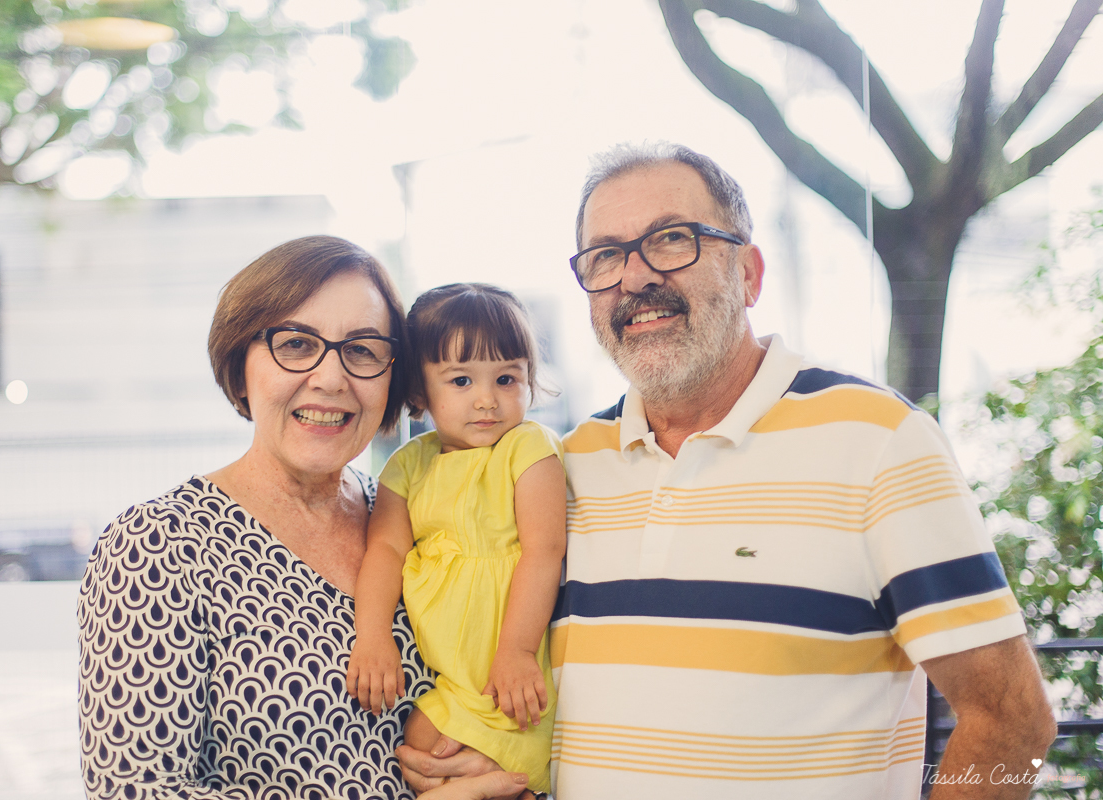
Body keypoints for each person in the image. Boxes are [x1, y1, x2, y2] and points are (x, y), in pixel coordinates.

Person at [400, 142, 1058, 799]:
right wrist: (504, 772)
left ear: (749, 273)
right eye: (605, 256)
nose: (633, 278)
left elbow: (1013, 721)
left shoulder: (879, 441)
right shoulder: (562, 465)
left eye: (671, 240)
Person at [78, 236, 508, 800]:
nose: (331, 379)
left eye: (362, 350)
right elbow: (136, 791)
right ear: (240, 367)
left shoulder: (419, 516)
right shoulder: (155, 546)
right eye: (298, 344)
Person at [347, 284, 566, 796]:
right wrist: (373, 633)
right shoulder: (408, 466)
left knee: (499, 776)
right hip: (452, 679)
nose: (487, 399)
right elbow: (385, 550)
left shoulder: (528, 448)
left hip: (508, 675)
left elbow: (543, 551)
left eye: (507, 378)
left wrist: (516, 652)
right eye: (462, 380)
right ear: (420, 394)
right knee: (421, 746)